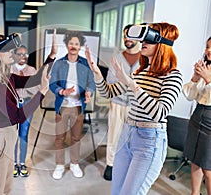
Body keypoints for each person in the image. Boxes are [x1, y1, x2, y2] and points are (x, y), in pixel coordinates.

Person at [86, 22, 183, 194]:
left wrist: (132, 84)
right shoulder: (140, 72)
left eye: (149, 39)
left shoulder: (173, 75)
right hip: (127, 134)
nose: (143, 42)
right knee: (116, 191)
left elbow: (159, 112)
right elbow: (109, 92)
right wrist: (96, 73)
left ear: (162, 43)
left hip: (149, 141)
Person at [0, 33, 55, 195]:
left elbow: (34, 79)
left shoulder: (6, 77)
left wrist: (51, 57)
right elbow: (17, 116)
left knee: (6, 189)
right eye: (7, 50)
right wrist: (42, 92)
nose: (12, 52)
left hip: (8, 141)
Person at [49, 30, 96, 180]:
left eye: (76, 43)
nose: (73, 46)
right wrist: (62, 91)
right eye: (71, 43)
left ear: (80, 46)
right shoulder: (59, 63)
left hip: (78, 107)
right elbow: (52, 84)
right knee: (59, 138)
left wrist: (89, 92)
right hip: (62, 106)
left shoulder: (85, 64)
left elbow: (91, 83)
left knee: (76, 138)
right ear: (67, 45)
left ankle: (74, 163)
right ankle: (60, 165)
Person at [103, 24, 140, 181]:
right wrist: (131, 83)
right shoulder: (117, 58)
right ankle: (110, 165)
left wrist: (126, 81)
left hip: (136, 105)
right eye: (124, 36)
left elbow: (145, 83)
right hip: (117, 103)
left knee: (133, 137)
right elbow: (110, 80)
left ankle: (130, 166)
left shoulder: (145, 59)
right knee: (114, 134)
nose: (126, 39)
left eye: (129, 36)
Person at [182, 36, 211, 195]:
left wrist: (208, 80)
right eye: (207, 47)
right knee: (195, 159)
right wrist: (195, 77)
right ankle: (194, 193)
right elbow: (189, 95)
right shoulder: (205, 67)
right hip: (198, 114)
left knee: (208, 166)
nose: (209, 50)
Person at [10, 45, 39, 178]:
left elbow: (35, 89)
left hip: (27, 104)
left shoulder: (32, 70)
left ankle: (22, 163)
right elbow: (8, 90)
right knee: (13, 135)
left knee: (24, 133)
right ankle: (14, 163)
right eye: (20, 54)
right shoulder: (9, 69)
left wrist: (21, 86)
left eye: (25, 54)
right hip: (13, 105)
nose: (23, 56)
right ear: (15, 55)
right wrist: (25, 85)